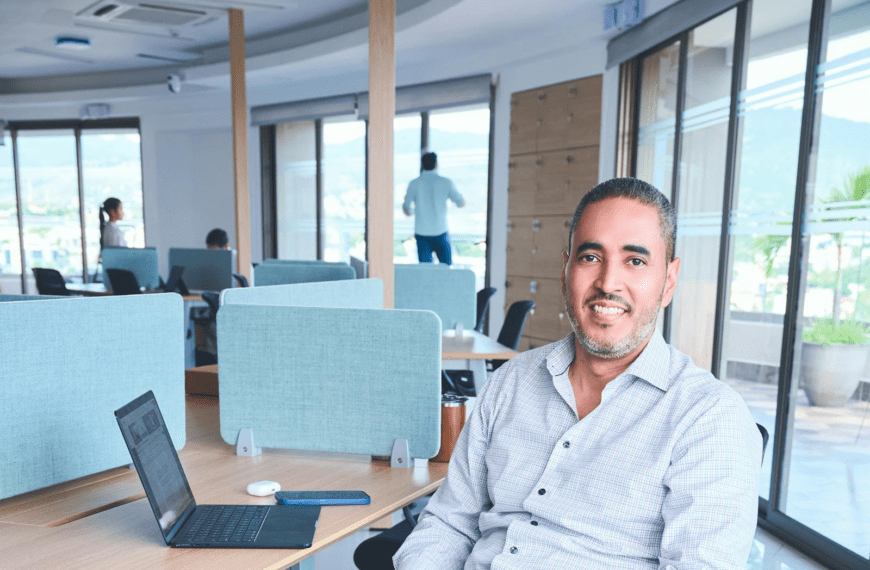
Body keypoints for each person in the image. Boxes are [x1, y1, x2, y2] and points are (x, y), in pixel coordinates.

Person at [393, 178, 762, 569]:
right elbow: (449, 522)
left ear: (668, 281)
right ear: (565, 269)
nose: (607, 283)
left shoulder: (709, 417)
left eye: (635, 261)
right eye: (591, 257)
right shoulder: (510, 382)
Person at [402, 152, 465, 265]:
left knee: (426, 271)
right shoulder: (446, 182)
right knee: (446, 269)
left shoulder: (414, 183)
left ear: (422, 164)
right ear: (436, 164)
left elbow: (407, 209)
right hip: (440, 231)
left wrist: (413, 211)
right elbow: (460, 203)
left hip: (422, 233)